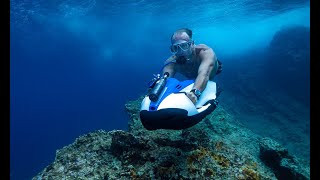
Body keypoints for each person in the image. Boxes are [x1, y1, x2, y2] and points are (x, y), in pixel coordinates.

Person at [162, 28, 222, 104]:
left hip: (211, 69)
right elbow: (164, 80)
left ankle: (217, 63)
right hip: (194, 75)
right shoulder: (171, 63)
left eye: (184, 46)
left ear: (192, 43)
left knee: (212, 66)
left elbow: (204, 73)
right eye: (175, 48)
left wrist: (195, 92)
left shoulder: (205, 52)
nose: (180, 51)